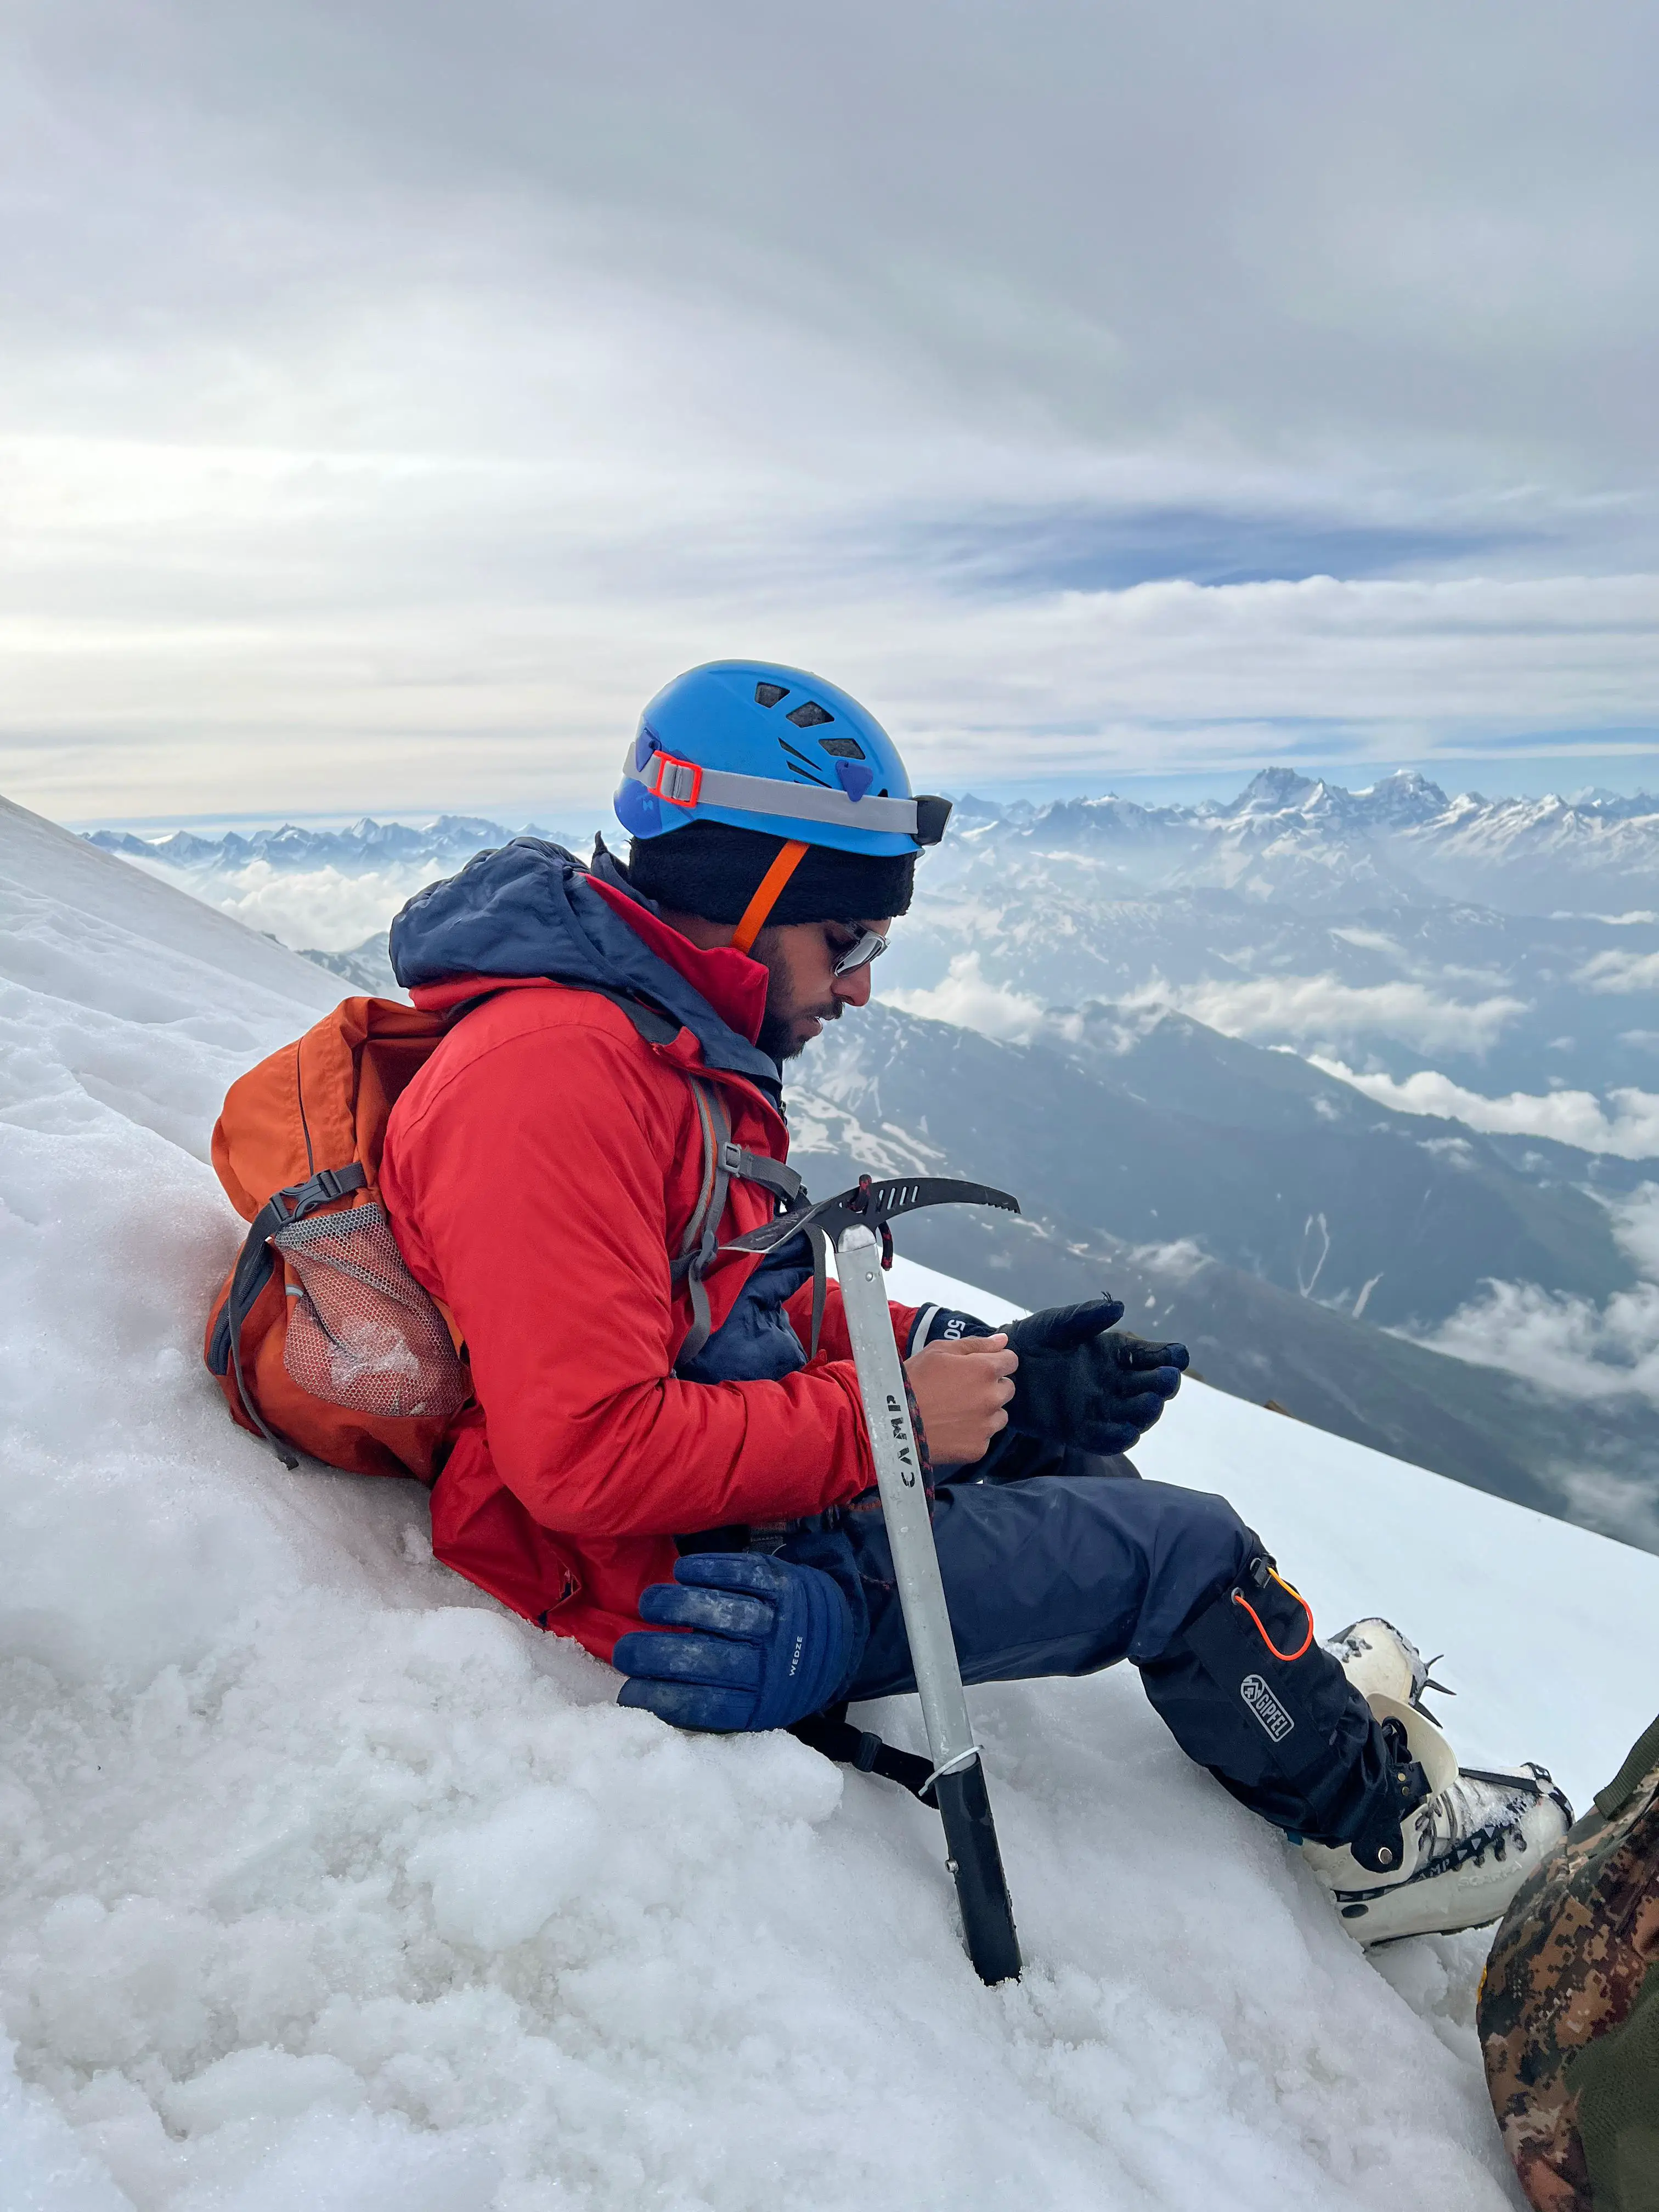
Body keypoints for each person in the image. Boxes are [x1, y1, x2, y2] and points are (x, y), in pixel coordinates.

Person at [379, 658, 1570, 1945]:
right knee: (1188, 1551)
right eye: (847, 939)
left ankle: (1285, 1695)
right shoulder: (557, 1080)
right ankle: (1378, 1838)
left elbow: (725, 1307)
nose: (862, 985)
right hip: (698, 1587)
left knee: (1087, 1449)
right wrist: (891, 1428)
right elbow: (584, 1458)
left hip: (736, 1520)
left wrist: (984, 1368)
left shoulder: (650, 1038)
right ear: (747, 892)